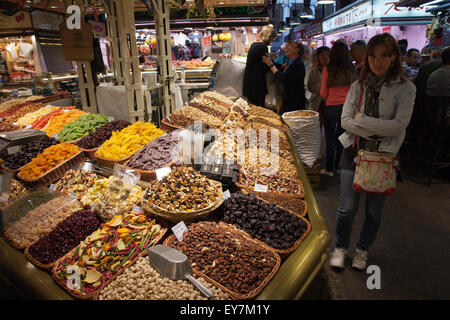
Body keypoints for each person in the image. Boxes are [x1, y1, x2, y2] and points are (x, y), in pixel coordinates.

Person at [329, 33, 416, 270]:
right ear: (367, 58)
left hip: (383, 157)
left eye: (383, 56)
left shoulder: (405, 88)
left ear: (393, 57)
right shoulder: (358, 86)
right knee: (347, 208)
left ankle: (362, 249)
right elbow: (346, 121)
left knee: (374, 211)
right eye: (372, 56)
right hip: (354, 152)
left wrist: (363, 121)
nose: (377, 61)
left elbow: (399, 126)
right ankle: (340, 247)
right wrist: (376, 130)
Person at [320, 42, 357, 176]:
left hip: (331, 106)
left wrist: (329, 97)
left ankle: (329, 169)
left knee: (329, 138)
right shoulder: (351, 69)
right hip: (347, 107)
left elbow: (323, 93)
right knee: (342, 137)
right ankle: (340, 166)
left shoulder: (327, 69)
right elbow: (355, 89)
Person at [262, 41, 306, 112]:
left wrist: (271, 65)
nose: (287, 48)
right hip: (289, 102)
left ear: (297, 50)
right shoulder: (290, 63)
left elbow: (282, 78)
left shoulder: (298, 65)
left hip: (295, 104)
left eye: (291, 46)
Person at [242, 25, 277, 107]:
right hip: (257, 86)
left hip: (249, 85)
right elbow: (266, 69)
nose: (271, 42)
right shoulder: (262, 47)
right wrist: (272, 59)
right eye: (272, 39)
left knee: (252, 109)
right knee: (258, 110)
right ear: (268, 37)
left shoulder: (254, 45)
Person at [306, 46, 330, 112]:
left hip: (330, 102)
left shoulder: (333, 70)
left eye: (327, 54)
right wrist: (323, 84)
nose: (325, 57)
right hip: (317, 102)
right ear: (318, 57)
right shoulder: (314, 71)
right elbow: (310, 87)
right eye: (322, 55)